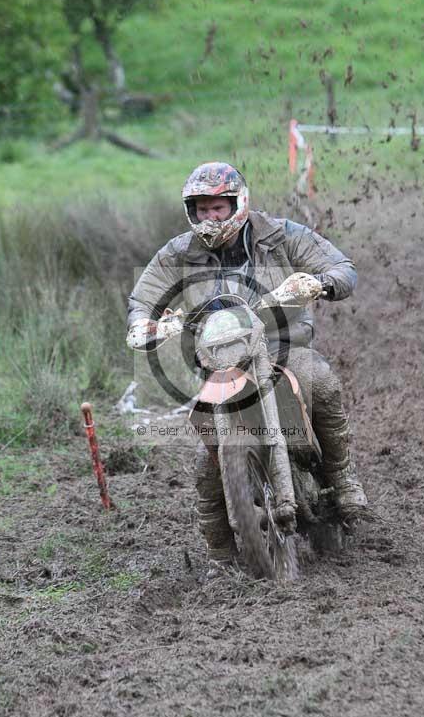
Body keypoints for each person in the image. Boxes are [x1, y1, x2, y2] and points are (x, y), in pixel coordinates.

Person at [127, 162, 368, 570]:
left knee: (320, 381)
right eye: (202, 209)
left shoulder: (280, 235)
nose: (210, 217)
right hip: (220, 362)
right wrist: (144, 325)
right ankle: (220, 554)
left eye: (218, 208)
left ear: (237, 204)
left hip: (283, 347)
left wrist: (319, 283)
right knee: (207, 460)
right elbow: (142, 300)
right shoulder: (178, 253)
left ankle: (343, 478)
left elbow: (342, 267)